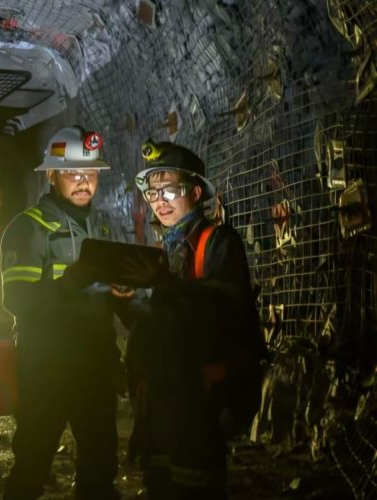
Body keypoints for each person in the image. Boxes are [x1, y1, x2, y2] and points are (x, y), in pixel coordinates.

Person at [118, 140, 268, 499]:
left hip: (200, 396)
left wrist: (165, 287)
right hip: (160, 396)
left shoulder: (217, 242)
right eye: (152, 194)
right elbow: (151, 322)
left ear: (196, 192)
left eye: (170, 190)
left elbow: (222, 312)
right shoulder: (162, 250)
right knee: (160, 482)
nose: (160, 201)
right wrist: (124, 301)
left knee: (195, 485)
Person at [0, 126, 121, 500]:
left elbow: (109, 295)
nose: (84, 181)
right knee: (33, 463)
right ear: (51, 175)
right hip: (46, 368)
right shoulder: (28, 229)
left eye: (91, 173)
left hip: (96, 366)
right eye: (72, 172)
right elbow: (17, 298)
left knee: (100, 466)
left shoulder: (102, 227)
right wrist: (69, 284)